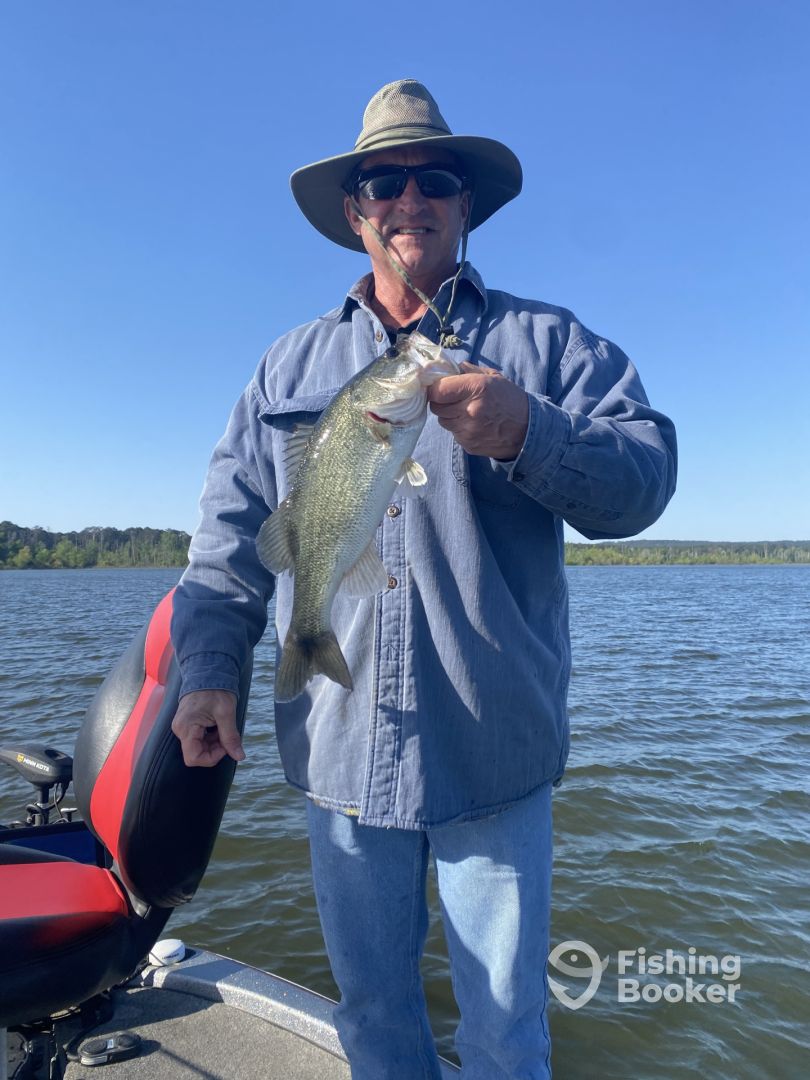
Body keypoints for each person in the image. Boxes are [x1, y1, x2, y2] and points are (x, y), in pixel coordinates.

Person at [170, 79, 677, 1079]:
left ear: (465, 203)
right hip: (339, 750)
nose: (410, 199)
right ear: (356, 211)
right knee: (374, 1018)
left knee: (504, 1034)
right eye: (383, 182)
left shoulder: (551, 344)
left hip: (493, 752)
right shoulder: (286, 366)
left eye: (434, 179)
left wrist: (531, 430)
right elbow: (226, 539)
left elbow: (646, 480)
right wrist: (209, 671)